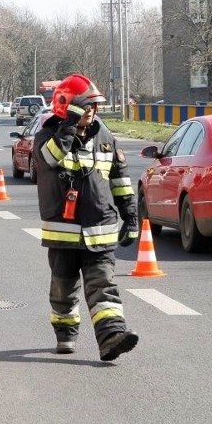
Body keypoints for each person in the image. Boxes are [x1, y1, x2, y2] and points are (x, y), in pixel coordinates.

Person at [32, 73, 140, 361]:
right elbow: (50, 159)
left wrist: (130, 217)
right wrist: (67, 126)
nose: (91, 111)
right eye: (85, 105)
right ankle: (66, 335)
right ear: (66, 106)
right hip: (63, 233)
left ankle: (112, 337)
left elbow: (119, 179)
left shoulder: (105, 136)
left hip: (101, 230)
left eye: (94, 106)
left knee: (103, 287)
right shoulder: (47, 134)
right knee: (63, 291)